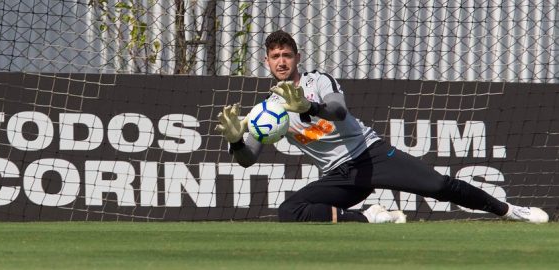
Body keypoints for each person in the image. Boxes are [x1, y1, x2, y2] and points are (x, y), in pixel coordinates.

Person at [215, 30, 549, 224]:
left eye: (287, 54)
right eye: (275, 56)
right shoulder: (266, 110)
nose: (282, 61)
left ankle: (508, 210)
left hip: (372, 156)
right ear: (267, 62)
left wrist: (308, 107)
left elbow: (340, 111)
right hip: (338, 176)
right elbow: (248, 159)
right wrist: (234, 140)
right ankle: (371, 217)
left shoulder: (318, 81)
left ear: (298, 57)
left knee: (440, 185)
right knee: (290, 211)